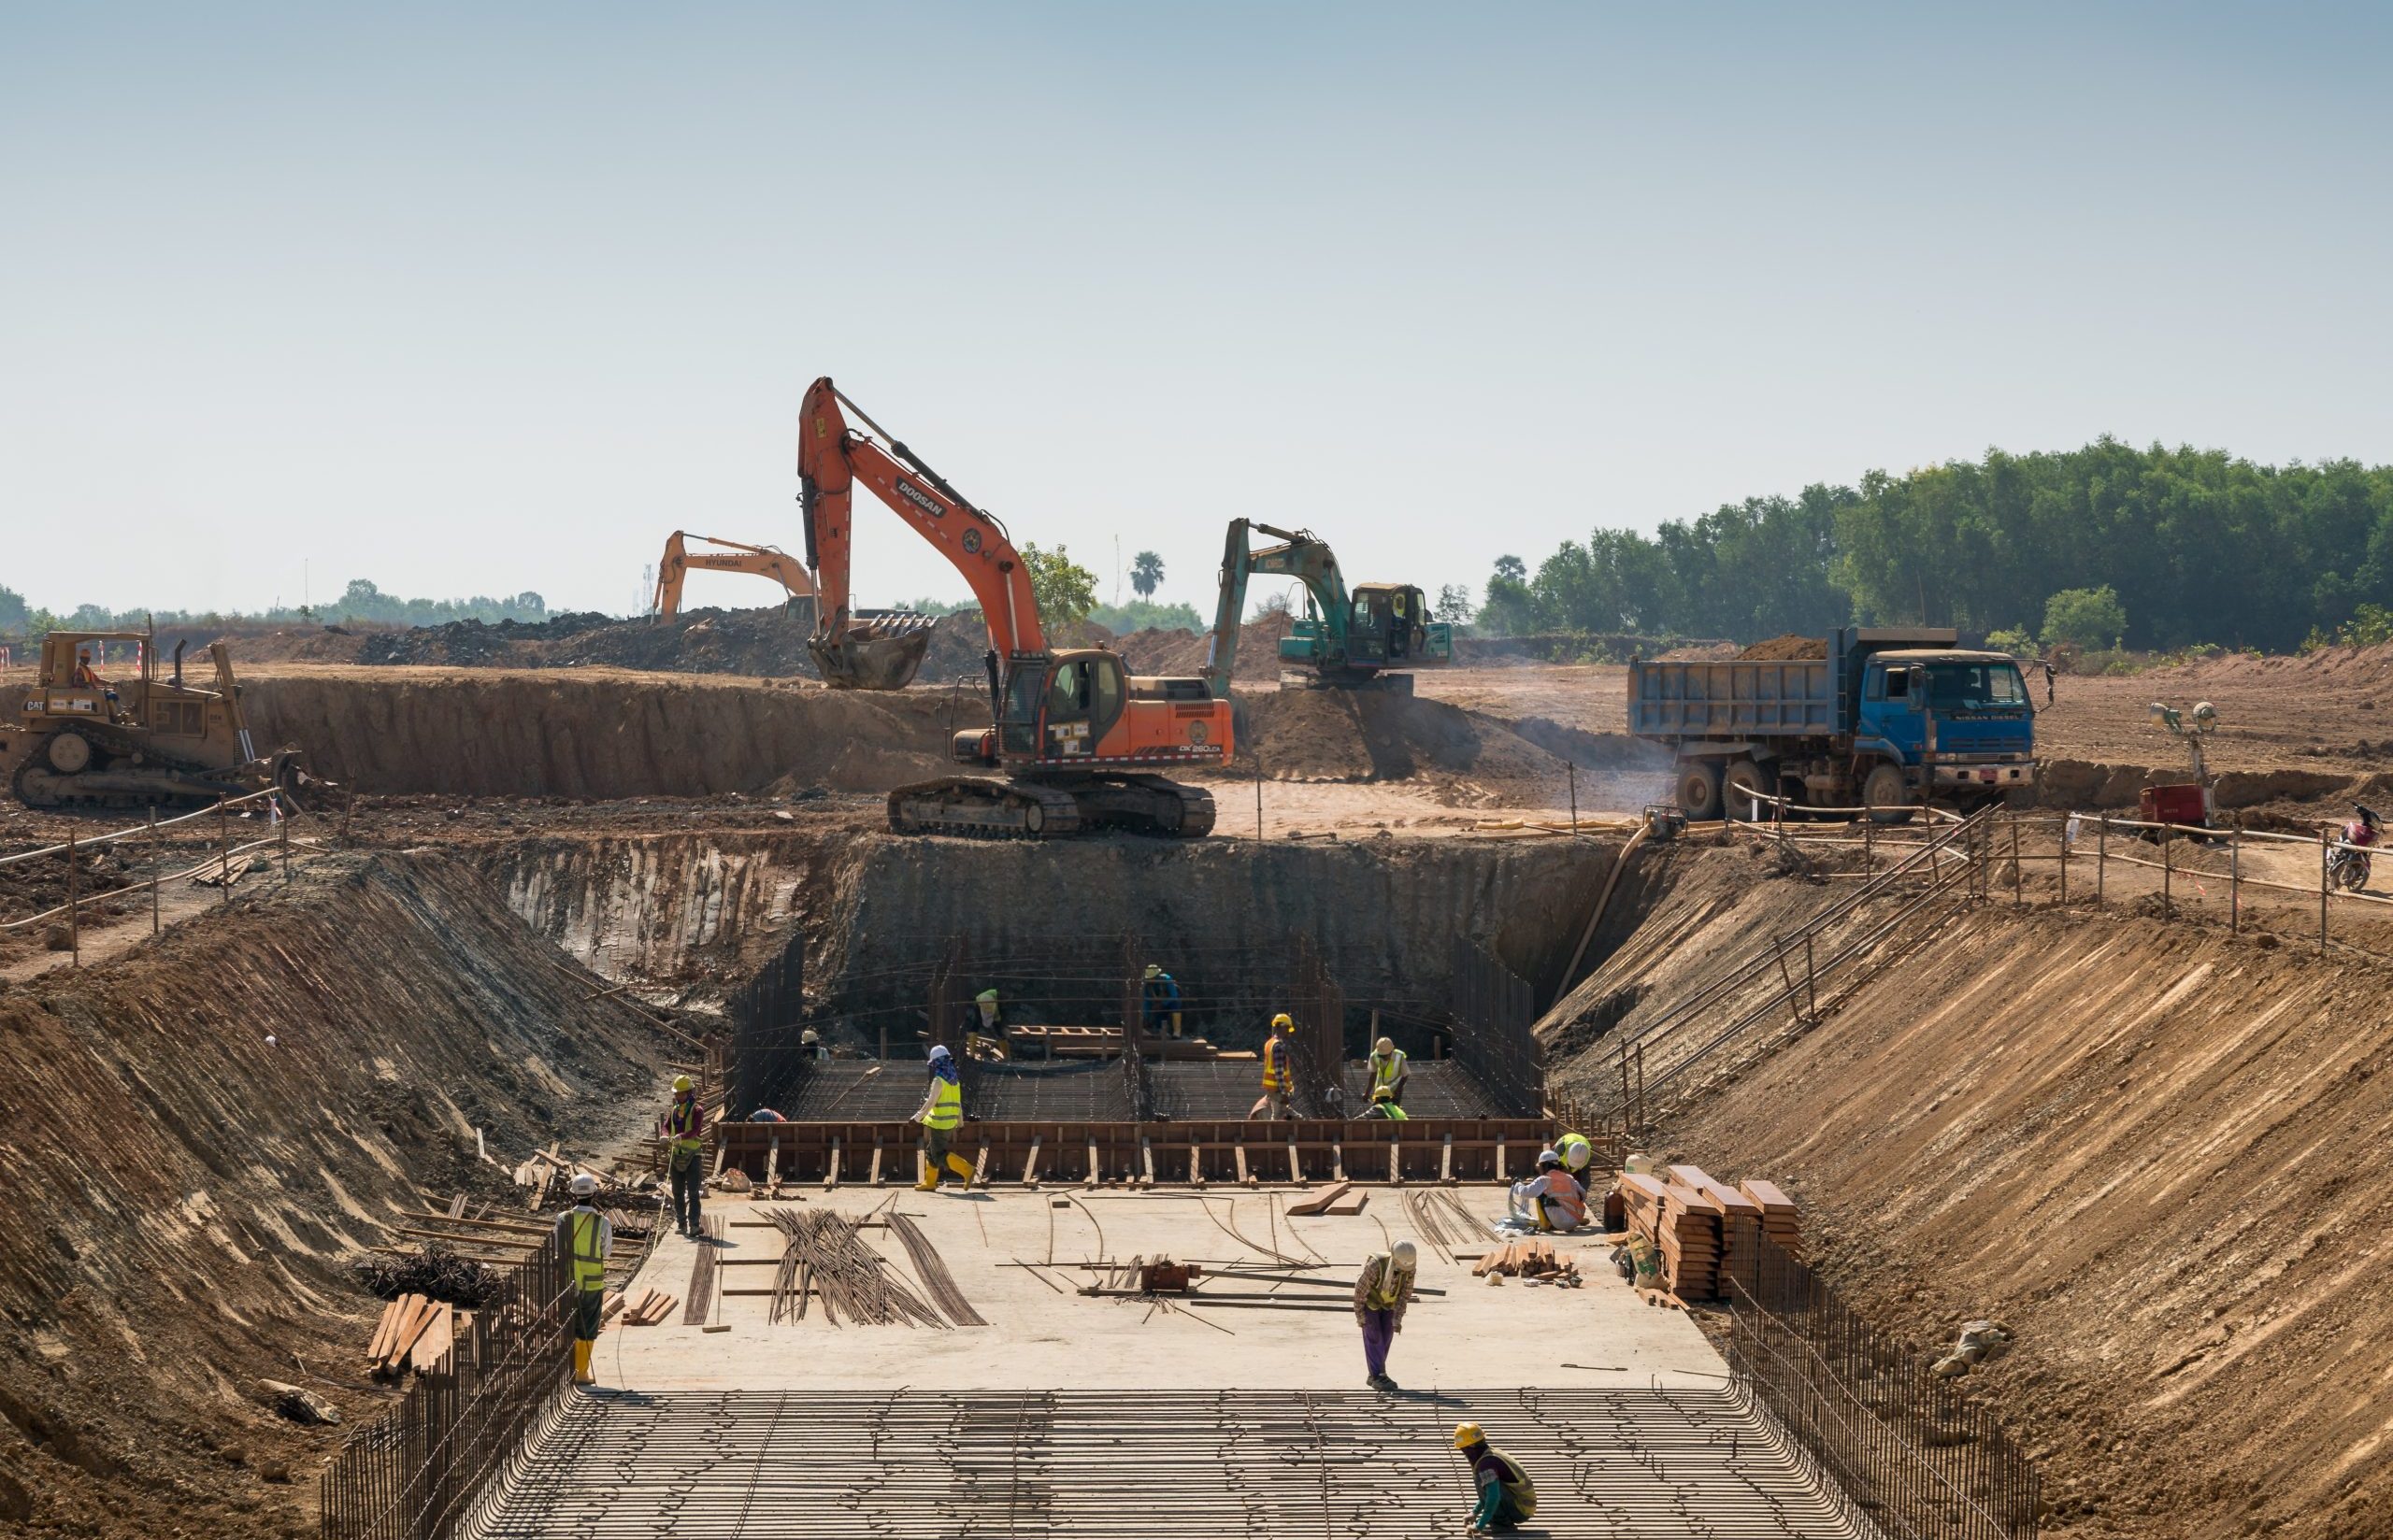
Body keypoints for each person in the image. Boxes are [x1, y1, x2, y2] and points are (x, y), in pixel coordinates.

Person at [554, 1173, 611, 1387]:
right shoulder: (602, 1222)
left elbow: (557, 1247)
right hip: (591, 1283)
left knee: (567, 1324)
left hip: (567, 1282)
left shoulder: (563, 1219)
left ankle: (566, 1370)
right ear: (594, 1194)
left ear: (573, 1195)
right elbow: (606, 1253)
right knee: (587, 1327)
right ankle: (581, 1372)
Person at [1353, 1240, 1418, 1390]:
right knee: (1374, 1337)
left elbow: (1405, 1294)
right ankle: (1379, 1376)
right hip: (1370, 1303)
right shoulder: (1376, 1265)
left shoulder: (1409, 1268)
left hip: (1390, 1304)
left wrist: (1398, 1318)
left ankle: (1374, 1375)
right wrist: (1360, 1316)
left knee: (1386, 1337)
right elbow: (1360, 1291)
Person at [1453, 1422, 1537, 1534]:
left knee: (1480, 1478)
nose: (1464, 1453)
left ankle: (1502, 1523)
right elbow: (1490, 1491)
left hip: (1520, 1510)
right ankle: (1497, 1518)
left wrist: (1479, 1525)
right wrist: (1474, 1512)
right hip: (1522, 1505)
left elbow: (1493, 1496)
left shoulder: (1486, 1464)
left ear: (1471, 1446)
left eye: (1463, 1449)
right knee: (1486, 1481)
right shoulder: (1490, 1454)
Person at [912, 1045, 975, 1191]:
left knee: (938, 1154)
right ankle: (930, 1183)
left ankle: (967, 1169)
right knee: (931, 1152)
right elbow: (958, 1103)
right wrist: (960, 1123)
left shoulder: (939, 1080)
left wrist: (916, 1118)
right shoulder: (954, 1081)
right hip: (949, 1123)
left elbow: (931, 1102)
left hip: (939, 1123)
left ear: (937, 1063)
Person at [662, 1075, 705, 1239]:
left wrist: (682, 1136)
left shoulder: (697, 1110)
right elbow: (666, 1126)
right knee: (677, 1191)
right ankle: (681, 1222)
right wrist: (664, 1135)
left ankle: (694, 1225)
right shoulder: (674, 1111)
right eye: (677, 1094)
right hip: (676, 1155)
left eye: (681, 1094)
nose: (678, 1097)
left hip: (693, 1155)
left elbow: (695, 1130)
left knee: (693, 1192)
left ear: (689, 1092)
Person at [1509, 1148, 1587, 1232]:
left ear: (1544, 1166)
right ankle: (1565, 1222)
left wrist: (1517, 1184)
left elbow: (1525, 1192)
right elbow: (1583, 1194)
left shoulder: (1544, 1179)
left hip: (1560, 1222)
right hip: (1575, 1220)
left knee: (1540, 1194)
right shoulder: (1569, 1178)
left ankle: (1545, 1225)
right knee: (1552, 1196)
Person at [1256, 1013, 1297, 1119]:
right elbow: (1279, 1070)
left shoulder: (1269, 1043)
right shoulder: (1278, 1045)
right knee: (1280, 1116)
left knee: (1284, 1116)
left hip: (1272, 1088)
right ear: (1282, 1027)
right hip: (1277, 1089)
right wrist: (1283, 1091)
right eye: (1287, 1028)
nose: (1288, 1032)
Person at [1367, 1035, 1409, 1109]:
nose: (1383, 1057)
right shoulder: (1374, 1056)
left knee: (1393, 1110)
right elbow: (1373, 1074)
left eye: (1385, 1055)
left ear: (1392, 1051)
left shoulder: (1400, 1056)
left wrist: (1398, 1090)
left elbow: (1405, 1075)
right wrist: (1367, 1093)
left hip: (1395, 1088)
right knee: (1377, 1111)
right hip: (1380, 1090)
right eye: (1381, 1056)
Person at [1141, 964, 1182, 1039]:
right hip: (1158, 1003)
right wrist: (1146, 1017)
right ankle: (1162, 1032)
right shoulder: (1148, 985)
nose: (1151, 980)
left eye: (1153, 978)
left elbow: (1174, 995)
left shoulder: (1166, 979)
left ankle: (1177, 1032)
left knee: (1175, 1005)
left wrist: (1163, 1003)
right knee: (1159, 1016)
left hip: (1171, 1001)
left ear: (1157, 975)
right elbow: (1146, 1001)